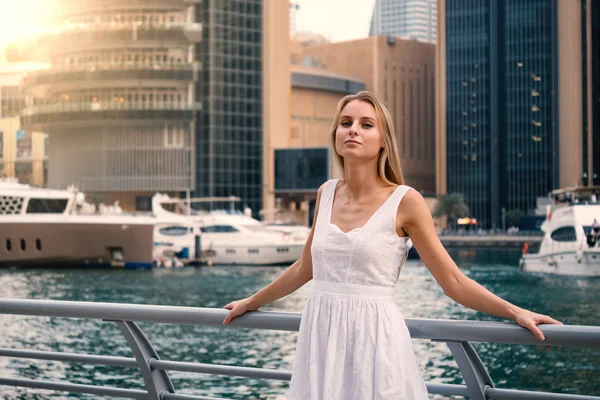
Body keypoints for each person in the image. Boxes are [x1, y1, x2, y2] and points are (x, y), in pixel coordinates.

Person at [222, 91, 562, 399]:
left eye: (366, 124)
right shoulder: (325, 193)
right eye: (346, 123)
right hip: (320, 340)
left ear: (383, 141)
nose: (353, 129)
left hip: (375, 341)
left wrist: (516, 311)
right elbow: (304, 268)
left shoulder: (406, 201)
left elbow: (453, 282)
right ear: (336, 134)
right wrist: (250, 302)